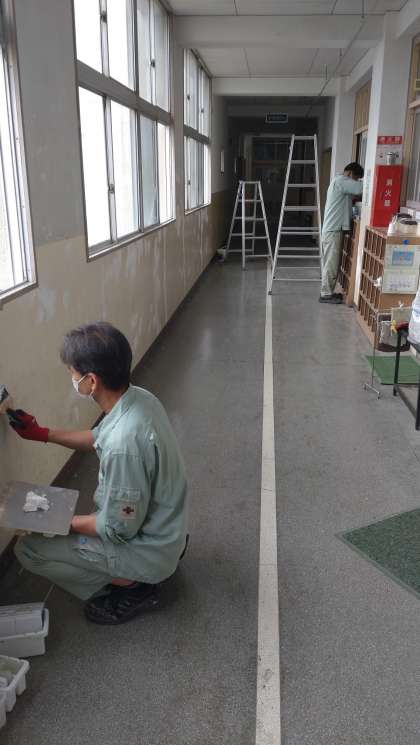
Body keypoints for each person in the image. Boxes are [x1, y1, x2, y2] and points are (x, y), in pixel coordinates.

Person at [10, 322, 189, 625]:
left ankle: (135, 585)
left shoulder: (123, 445)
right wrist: (42, 434)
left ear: (91, 381)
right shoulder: (138, 398)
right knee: (73, 523)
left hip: (149, 549)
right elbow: (97, 437)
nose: (72, 379)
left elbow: (118, 529)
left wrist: (56, 521)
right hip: (167, 530)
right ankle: (137, 569)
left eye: (72, 374)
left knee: (28, 549)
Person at [319, 162, 364, 305]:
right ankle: (325, 294)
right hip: (332, 231)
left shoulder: (338, 182)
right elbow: (361, 188)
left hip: (332, 230)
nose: (355, 181)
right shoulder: (341, 181)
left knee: (332, 263)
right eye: (356, 178)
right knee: (331, 264)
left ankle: (328, 292)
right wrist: (370, 178)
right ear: (350, 173)